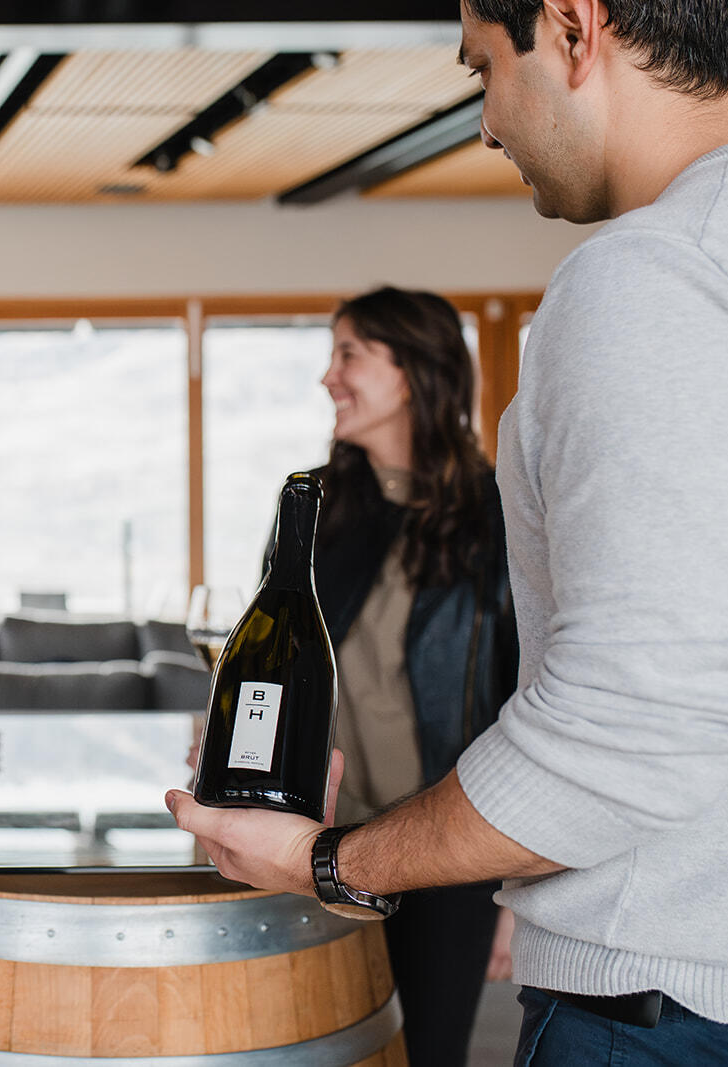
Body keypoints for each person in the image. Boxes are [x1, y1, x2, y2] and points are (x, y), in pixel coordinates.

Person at [169, 0, 728, 1061]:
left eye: (480, 70)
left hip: (675, 1005)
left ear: (571, 28)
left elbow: (635, 708)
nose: (485, 125)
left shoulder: (654, 275)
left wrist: (333, 861)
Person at [266, 286, 516, 1067]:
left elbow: (522, 697)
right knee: (321, 1049)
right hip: (327, 841)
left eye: (349, 354)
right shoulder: (313, 503)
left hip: (452, 848)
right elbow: (272, 655)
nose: (327, 376)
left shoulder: (497, 513)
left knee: (429, 1053)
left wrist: (516, 887)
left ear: (411, 371)